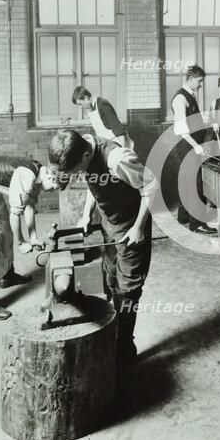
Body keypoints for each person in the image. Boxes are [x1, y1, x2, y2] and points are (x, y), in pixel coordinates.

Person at [48, 130, 157, 364]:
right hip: (109, 221)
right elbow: (94, 181)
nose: (78, 175)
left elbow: (151, 185)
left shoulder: (117, 159)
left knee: (128, 288)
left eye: (77, 170)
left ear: (86, 155)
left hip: (130, 224)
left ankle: (125, 346)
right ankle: (114, 332)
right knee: (110, 279)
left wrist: (139, 227)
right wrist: (87, 215)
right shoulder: (83, 147)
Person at [0, 156, 60, 320]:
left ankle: (7, 276)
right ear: (51, 176)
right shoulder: (28, 175)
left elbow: (29, 206)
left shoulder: (39, 174)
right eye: (54, 186)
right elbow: (16, 214)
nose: (52, 190)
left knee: (6, 231)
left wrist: (33, 238)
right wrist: (21, 242)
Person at [171, 64, 216, 234]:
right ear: (190, 79)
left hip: (191, 146)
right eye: (199, 81)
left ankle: (184, 217)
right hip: (187, 147)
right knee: (196, 183)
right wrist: (197, 146)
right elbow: (180, 129)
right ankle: (197, 224)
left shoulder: (189, 95)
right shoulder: (180, 99)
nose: (201, 84)